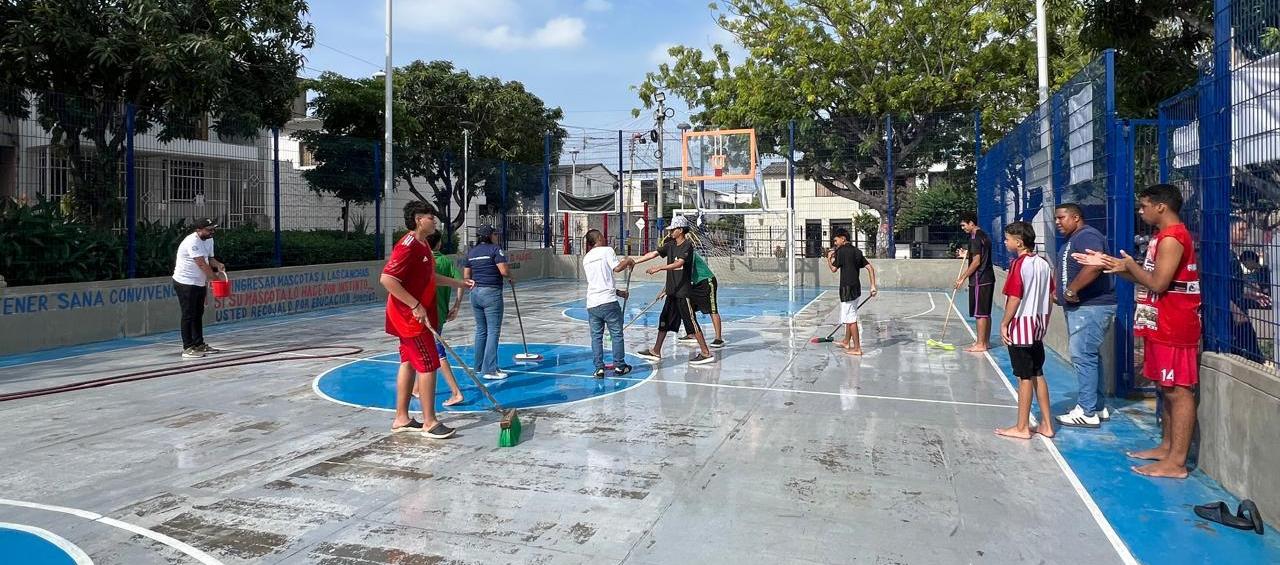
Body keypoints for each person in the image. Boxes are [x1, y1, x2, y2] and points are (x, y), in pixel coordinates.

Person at [1075, 183, 1201, 479]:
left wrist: (1130, 264)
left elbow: (1158, 283)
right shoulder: (1161, 237)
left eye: (1144, 206)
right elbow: (1148, 280)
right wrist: (1113, 265)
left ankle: (1177, 462)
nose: (1140, 211)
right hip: (1160, 321)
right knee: (1165, 387)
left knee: (1178, 391)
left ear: (1161, 206)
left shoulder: (1173, 238)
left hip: (1175, 323)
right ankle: (1167, 447)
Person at [380, 201, 475, 439]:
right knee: (428, 363)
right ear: (418, 220)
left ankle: (401, 418)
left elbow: (430, 276)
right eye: (430, 217)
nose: (434, 220)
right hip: (409, 318)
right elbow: (387, 279)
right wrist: (415, 305)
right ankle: (430, 422)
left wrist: (459, 283)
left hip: (411, 316)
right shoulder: (408, 246)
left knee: (408, 362)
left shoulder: (423, 245)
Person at [1053, 204, 1117, 428]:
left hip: (1090, 306)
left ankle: (1087, 411)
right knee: (1089, 356)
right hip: (1083, 307)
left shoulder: (1087, 236)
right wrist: (1059, 291)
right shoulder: (1073, 239)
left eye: (1061, 217)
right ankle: (1096, 406)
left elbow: (1096, 264)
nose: (1057, 222)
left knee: (1083, 356)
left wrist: (1072, 290)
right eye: (1056, 218)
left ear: (1076, 217)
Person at [995, 221, 1055, 440]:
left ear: (1019, 243)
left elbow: (1015, 297)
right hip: (1038, 325)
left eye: (1008, 239)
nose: (1005, 242)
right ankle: (1047, 424)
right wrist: (1044, 321)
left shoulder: (1019, 264)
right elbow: (1050, 296)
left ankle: (1022, 427)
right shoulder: (1043, 263)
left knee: (1024, 377)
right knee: (1038, 372)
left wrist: (1004, 322)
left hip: (1021, 326)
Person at [631, 216, 715, 365]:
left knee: (691, 322)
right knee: (664, 320)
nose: (670, 232)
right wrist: (634, 262)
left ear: (680, 230)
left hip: (683, 293)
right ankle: (656, 351)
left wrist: (659, 268)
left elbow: (679, 264)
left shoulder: (687, 245)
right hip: (672, 292)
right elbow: (653, 254)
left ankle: (706, 353)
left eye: (673, 229)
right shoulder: (670, 245)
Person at [582, 229, 635, 378]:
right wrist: (628, 261)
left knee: (596, 337)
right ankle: (619, 366)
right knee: (617, 334)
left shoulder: (586, 258)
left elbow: (598, 282)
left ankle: (599, 368)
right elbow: (617, 268)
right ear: (599, 238)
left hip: (592, 303)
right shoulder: (607, 250)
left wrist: (619, 292)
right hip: (608, 302)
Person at [465, 225, 513, 380]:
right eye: (495, 234)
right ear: (490, 236)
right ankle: (490, 369)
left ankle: (479, 366)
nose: (496, 236)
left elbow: (466, 276)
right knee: (493, 331)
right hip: (491, 292)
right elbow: (504, 271)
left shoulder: (471, 252)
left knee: (481, 330)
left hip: (475, 293)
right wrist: (510, 276)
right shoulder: (495, 249)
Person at [173, 218, 226, 359]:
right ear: (198, 230)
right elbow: (201, 264)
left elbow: (209, 259)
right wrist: (215, 279)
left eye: (213, 229)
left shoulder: (209, 240)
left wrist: (218, 264)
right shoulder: (192, 241)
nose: (212, 232)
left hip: (199, 282)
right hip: (185, 282)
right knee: (188, 314)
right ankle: (188, 347)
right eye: (209, 230)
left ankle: (199, 343)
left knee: (198, 313)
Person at [427, 231, 466, 407]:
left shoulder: (425, 260)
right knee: (422, 351)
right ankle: (417, 388)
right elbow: (461, 282)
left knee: (438, 353)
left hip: (428, 315)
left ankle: (456, 392)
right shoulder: (444, 261)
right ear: (439, 244)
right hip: (439, 313)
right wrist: (457, 305)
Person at [826, 228, 878, 355]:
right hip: (856, 289)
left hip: (847, 289)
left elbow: (833, 269)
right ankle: (846, 341)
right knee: (850, 315)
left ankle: (857, 348)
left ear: (843, 238)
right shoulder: (857, 251)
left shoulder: (841, 252)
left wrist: (828, 258)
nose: (835, 243)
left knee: (851, 319)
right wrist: (872, 286)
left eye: (836, 240)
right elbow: (870, 268)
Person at [1229, 217, 1268, 363]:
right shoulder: (1226, 256)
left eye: (1247, 230)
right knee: (1250, 351)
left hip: (1235, 309)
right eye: (1241, 230)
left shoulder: (1231, 255)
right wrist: (1235, 310)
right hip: (1231, 312)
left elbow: (1231, 286)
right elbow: (1218, 287)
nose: (1245, 234)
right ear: (1228, 230)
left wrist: (1251, 295)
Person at [956, 211, 996, 352]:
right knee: (986, 311)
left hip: (980, 278)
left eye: (964, 225)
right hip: (988, 277)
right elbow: (979, 254)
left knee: (980, 313)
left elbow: (976, 261)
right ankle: (986, 341)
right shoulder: (983, 235)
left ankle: (981, 344)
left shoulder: (974, 238)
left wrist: (962, 277)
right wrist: (966, 254)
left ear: (971, 223)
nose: (963, 228)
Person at [677, 251, 726, 349]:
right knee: (686, 306)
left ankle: (718, 338)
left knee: (712, 309)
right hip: (695, 284)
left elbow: (685, 272)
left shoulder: (687, 253)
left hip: (707, 281)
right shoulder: (676, 255)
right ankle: (691, 334)